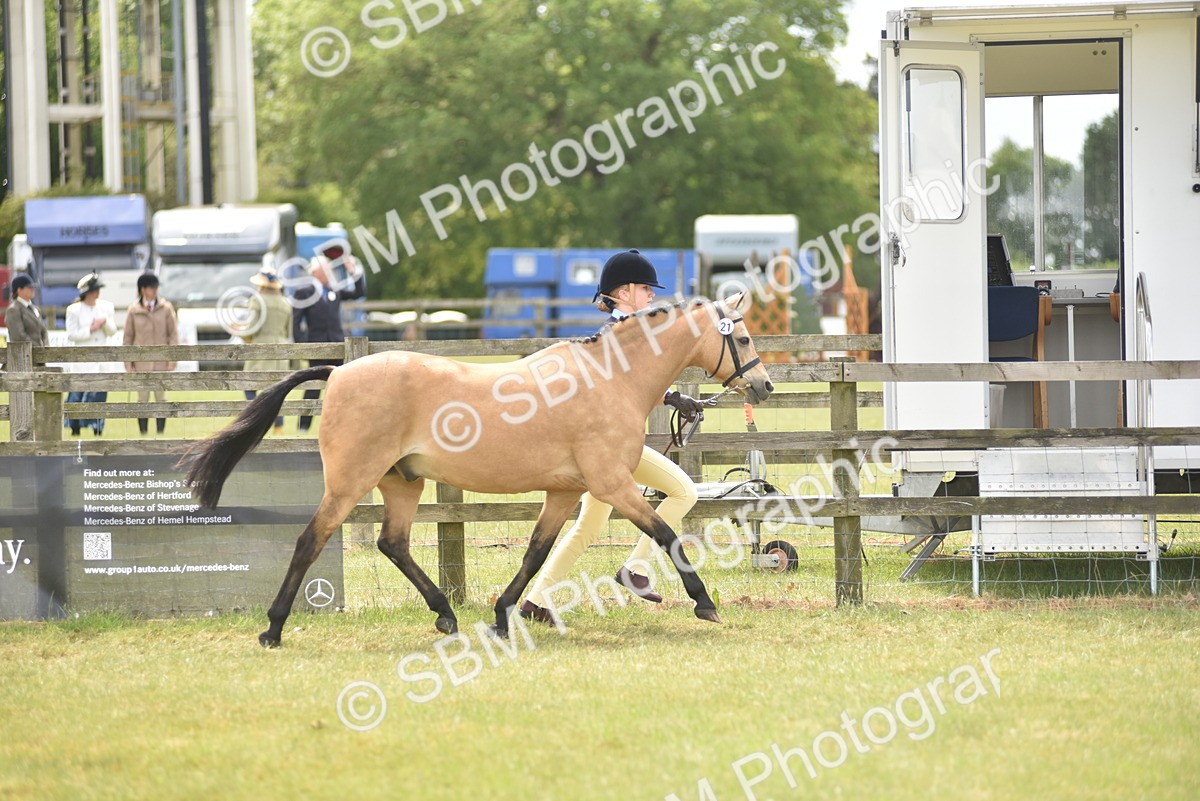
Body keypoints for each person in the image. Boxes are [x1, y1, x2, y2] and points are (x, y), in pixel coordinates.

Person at [521, 249, 705, 624]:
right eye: (645, 288)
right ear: (623, 293)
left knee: (589, 524)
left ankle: (535, 602)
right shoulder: (621, 334)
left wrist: (673, 397)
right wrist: (671, 396)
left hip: (598, 446)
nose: (652, 295)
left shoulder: (632, 332)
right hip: (604, 448)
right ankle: (635, 569)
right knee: (684, 491)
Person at [292, 244, 365, 432]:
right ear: (316, 272)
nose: (331, 272)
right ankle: (303, 428)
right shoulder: (305, 291)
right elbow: (296, 320)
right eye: (327, 269)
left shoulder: (335, 290)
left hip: (337, 344)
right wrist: (303, 345)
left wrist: (353, 272)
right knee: (313, 389)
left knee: (341, 386)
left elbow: (359, 293)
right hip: (317, 347)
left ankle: (342, 426)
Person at [123, 273, 179, 435]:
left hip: (161, 360)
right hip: (141, 363)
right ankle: (143, 432)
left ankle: (161, 432)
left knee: (161, 397)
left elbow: (173, 335)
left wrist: (172, 359)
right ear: (142, 289)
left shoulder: (166, 308)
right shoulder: (133, 310)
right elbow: (128, 338)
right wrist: (128, 363)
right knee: (142, 398)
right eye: (150, 288)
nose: (154, 291)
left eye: (155, 288)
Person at [241, 266, 294, 433]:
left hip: (261, 349)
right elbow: (289, 332)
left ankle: (254, 419)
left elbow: (251, 329)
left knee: (248, 386)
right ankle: (279, 426)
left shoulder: (257, 300)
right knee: (277, 389)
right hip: (281, 349)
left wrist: (242, 334)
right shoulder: (286, 303)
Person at [65, 272, 117, 436]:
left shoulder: (106, 307)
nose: (97, 293)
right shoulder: (74, 310)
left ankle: (97, 427)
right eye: (94, 290)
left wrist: (104, 322)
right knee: (77, 395)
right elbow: (72, 334)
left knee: (99, 394)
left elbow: (112, 331)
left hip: (100, 361)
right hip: (82, 361)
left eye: (98, 290)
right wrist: (90, 329)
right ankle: (75, 428)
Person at [6, 273, 49, 348]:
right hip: (22, 355)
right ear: (19, 290)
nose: (33, 289)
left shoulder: (35, 308)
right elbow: (19, 337)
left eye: (33, 287)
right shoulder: (13, 310)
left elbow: (43, 331)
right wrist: (38, 348)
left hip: (39, 355)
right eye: (29, 287)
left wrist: (45, 347)